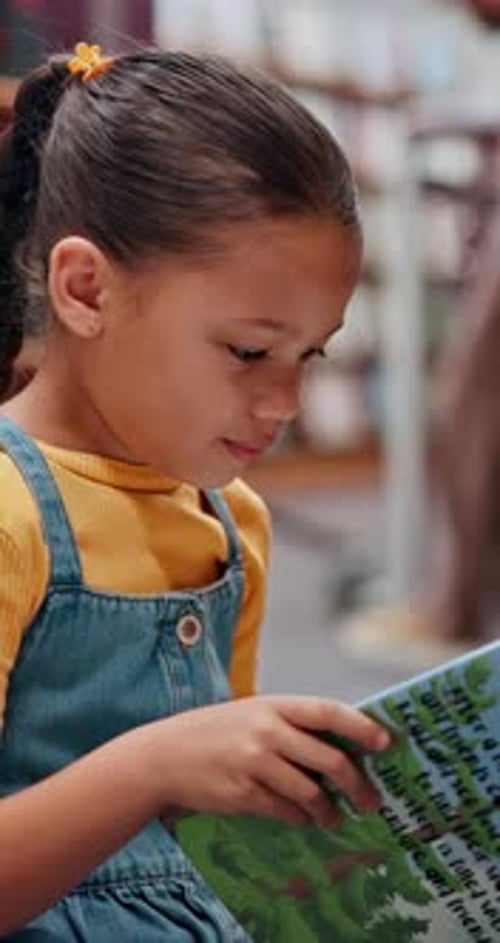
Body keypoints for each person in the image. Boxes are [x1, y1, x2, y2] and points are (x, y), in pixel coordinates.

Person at [0, 42, 391, 941]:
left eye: (311, 356)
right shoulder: (11, 515)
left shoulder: (231, 520)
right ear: (85, 288)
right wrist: (153, 766)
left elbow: (209, 833)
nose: (286, 402)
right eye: (250, 352)